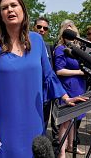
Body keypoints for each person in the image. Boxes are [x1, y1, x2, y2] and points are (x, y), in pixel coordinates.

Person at [0, 0, 87, 158]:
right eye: (4, 8)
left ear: (23, 10)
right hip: (2, 121)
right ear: (0, 15)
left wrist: (66, 97)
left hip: (33, 119)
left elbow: (49, 75)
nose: (10, 10)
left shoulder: (37, 41)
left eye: (14, 5)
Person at [54, 20, 86, 157]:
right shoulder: (60, 48)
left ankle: (72, 146)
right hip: (68, 87)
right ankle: (62, 152)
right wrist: (79, 72)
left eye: (71, 28)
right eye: (66, 28)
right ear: (62, 32)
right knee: (66, 121)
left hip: (79, 86)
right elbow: (59, 71)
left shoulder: (78, 48)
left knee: (74, 119)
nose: (69, 30)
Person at [33, 17, 59, 146]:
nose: (42, 30)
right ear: (33, 27)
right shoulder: (26, 44)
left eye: (45, 28)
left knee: (44, 119)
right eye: (39, 27)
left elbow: (50, 68)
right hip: (31, 89)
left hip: (45, 90)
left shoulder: (48, 47)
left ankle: (40, 144)